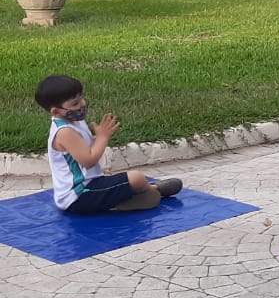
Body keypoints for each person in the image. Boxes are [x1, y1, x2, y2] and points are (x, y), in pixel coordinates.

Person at [35, 75, 182, 214]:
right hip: (78, 196)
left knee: (134, 180)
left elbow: (82, 148)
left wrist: (96, 138)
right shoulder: (64, 132)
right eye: (75, 103)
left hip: (91, 185)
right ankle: (145, 194)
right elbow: (88, 161)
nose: (82, 104)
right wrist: (102, 137)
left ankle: (146, 191)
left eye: (81, 99)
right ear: (56, 111)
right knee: (137, 178)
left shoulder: (74, 121)